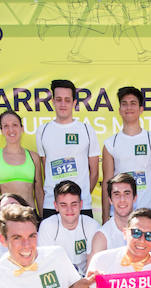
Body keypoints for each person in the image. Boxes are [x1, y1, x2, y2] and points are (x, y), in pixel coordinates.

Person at [36, 79, 100, 219]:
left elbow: (94, 172)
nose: (63, 104)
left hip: (82, 205)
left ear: (74, 102)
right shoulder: (42, 131)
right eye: (58, 99)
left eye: (67, 99)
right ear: (52, 101)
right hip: (51, 205)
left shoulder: (86, 129)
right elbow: (46, 168)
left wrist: (79, 197)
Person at [101, 86, 151, 221]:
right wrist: (105, 217)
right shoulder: (110, 144)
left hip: (148, 213)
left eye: (133, 103)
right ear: (119, 110)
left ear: (141, 109)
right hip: (120, 215)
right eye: (124, 104)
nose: (128, 107)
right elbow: (107, 183)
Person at [0, 110, 43, 225]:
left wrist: (42, 218)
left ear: (22, 128)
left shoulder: (33, 157)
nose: (11, 130)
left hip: (30, 217)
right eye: (6, 126)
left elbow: (39, 192)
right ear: (1, 130)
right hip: (6, 219)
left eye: (15, 125)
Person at [38, 180, 101, 276]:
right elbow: (46, 264)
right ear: (56, 206)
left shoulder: (92, 225)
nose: (69, 210)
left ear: (81, 205)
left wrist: (83, 285)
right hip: (59, 279)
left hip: (85, 280)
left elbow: (93, 264)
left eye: (74, 204)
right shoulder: (47, 226)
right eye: (63, 205)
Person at [90, 173, 135, 258]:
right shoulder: (102, 236)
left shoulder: (147, 226)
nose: (122, 199)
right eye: (117, 194)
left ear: (135, 197)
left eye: (127, 193)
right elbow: (92, 269)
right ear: (110, 200)